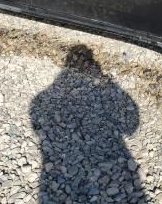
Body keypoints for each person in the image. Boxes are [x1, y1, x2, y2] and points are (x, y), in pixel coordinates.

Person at [30, 45, 145, 203]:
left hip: (53, 170)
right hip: (115, 158)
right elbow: (131, 127)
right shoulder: (42, 99)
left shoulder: (40, 99)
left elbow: (38, 124)